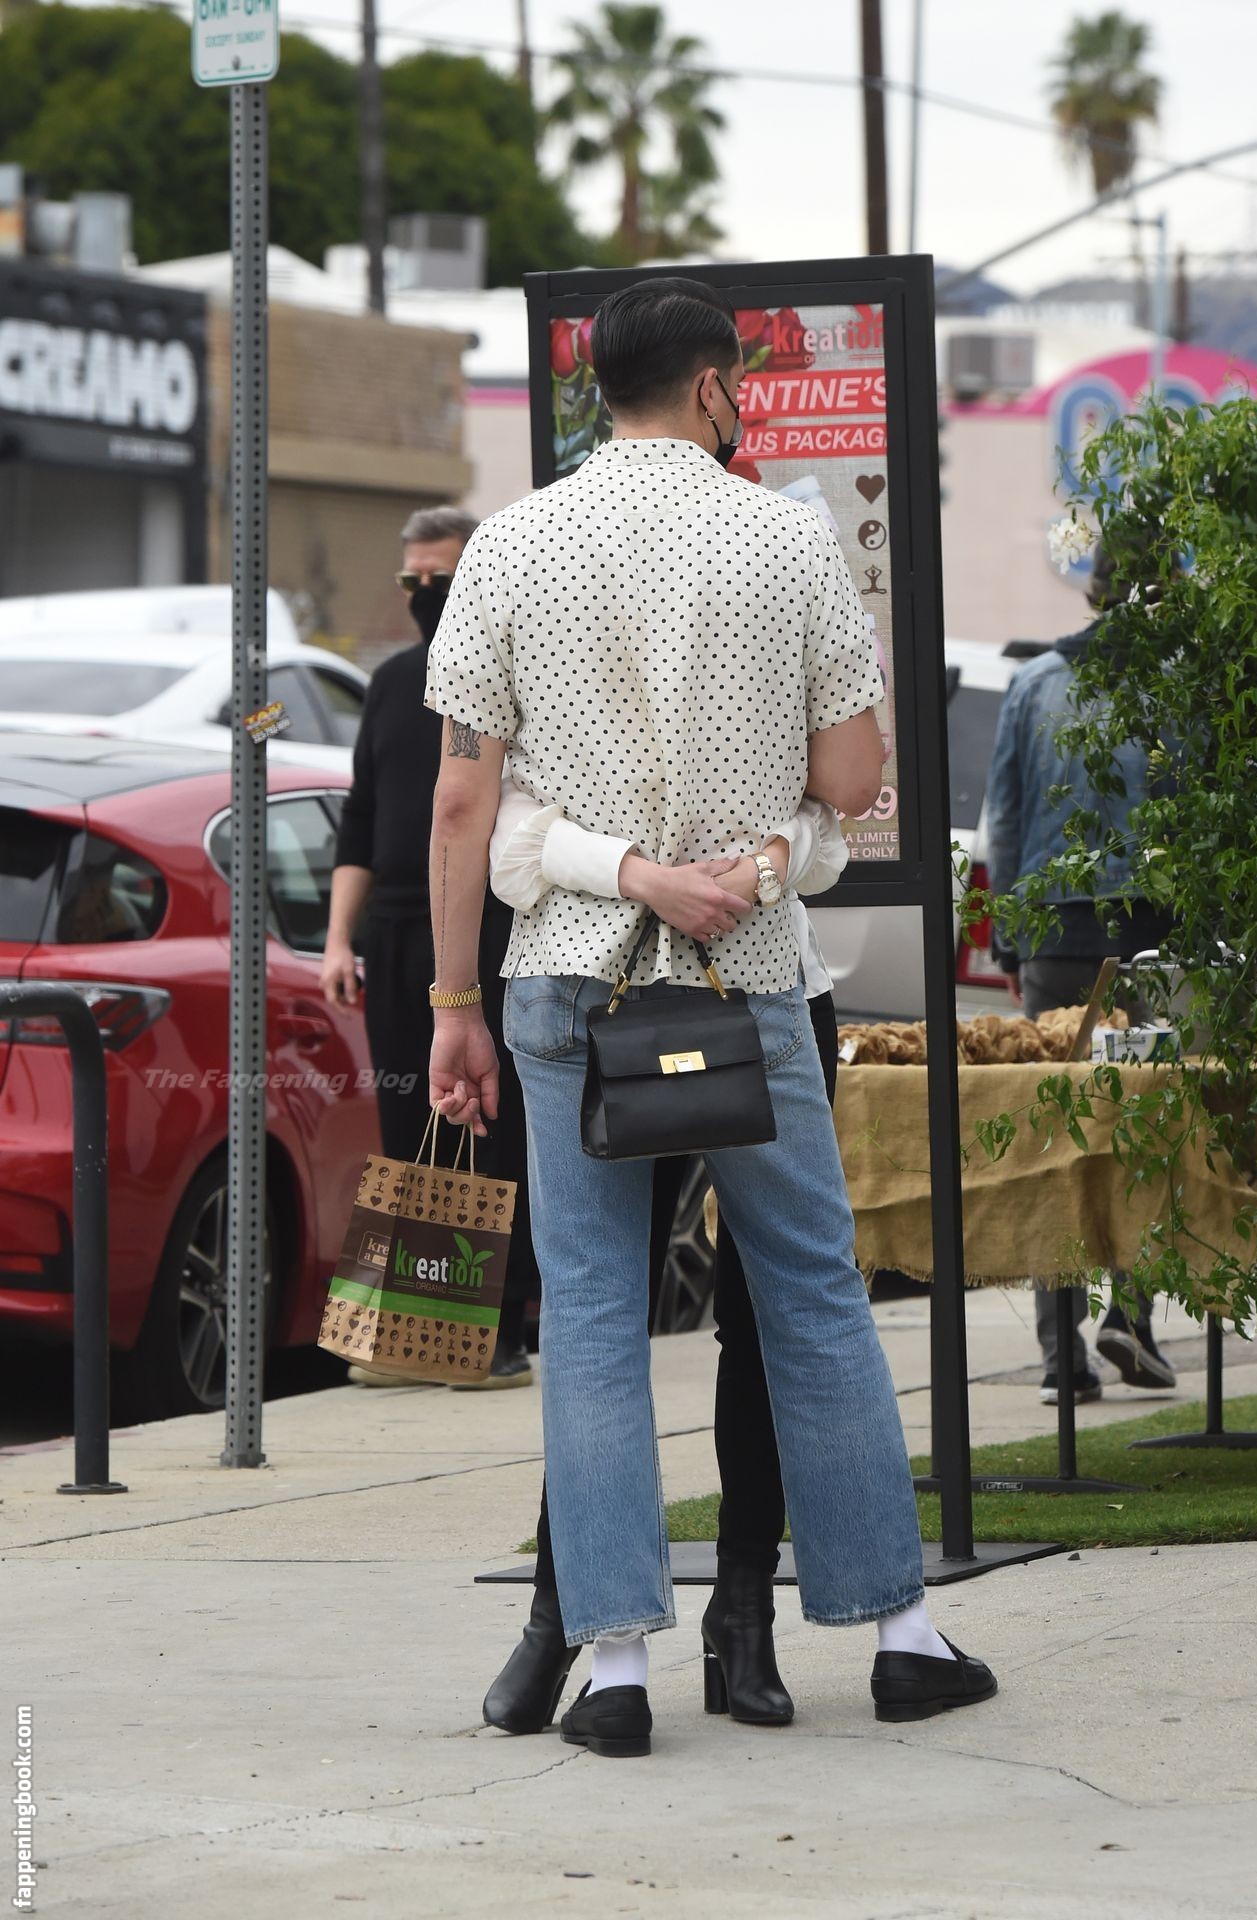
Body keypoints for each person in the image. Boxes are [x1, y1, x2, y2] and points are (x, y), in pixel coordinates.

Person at [422, 276, 996, 1758]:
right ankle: (899, 1634)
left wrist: (451, 1000)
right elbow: (855, 778)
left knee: (592, 1314)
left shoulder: (510, 545)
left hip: (568, 971)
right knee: (809, 1293)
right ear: (713, 387)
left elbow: (462, 804)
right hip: (746, 973)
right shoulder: (785, 538)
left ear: (595, 390)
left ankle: (615, 1665)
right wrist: (763, 839)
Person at [478, 786, 846, 1736]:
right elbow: (500, 818)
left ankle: (744, 1610)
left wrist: (764, 865)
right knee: (600, 1313)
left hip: (762, 977)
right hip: (602, 979)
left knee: (760, 1314)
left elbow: (837, 801)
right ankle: (565, 1613)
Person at [322, 504, 538, 1389]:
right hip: (395, 931)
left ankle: (496, 1334)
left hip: (486, 923)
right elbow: (361, 818)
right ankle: (409, 1334)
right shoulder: (389, 682)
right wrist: (338, 938)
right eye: (409, 579)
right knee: (407, 1124)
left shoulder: (505, 668)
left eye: (438, 578)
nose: (422, 593)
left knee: (490, 1124)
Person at [985, 546, 1178, 1407]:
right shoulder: (1178, 687)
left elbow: (1003, 816)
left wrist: (1008, 938)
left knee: (1053, 1137)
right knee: (1146, 1127)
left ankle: (1058, 1353)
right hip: (1150, 933)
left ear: (1094, 592)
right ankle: (1130, 1314)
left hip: (1053, 934)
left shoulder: (1034, 682)